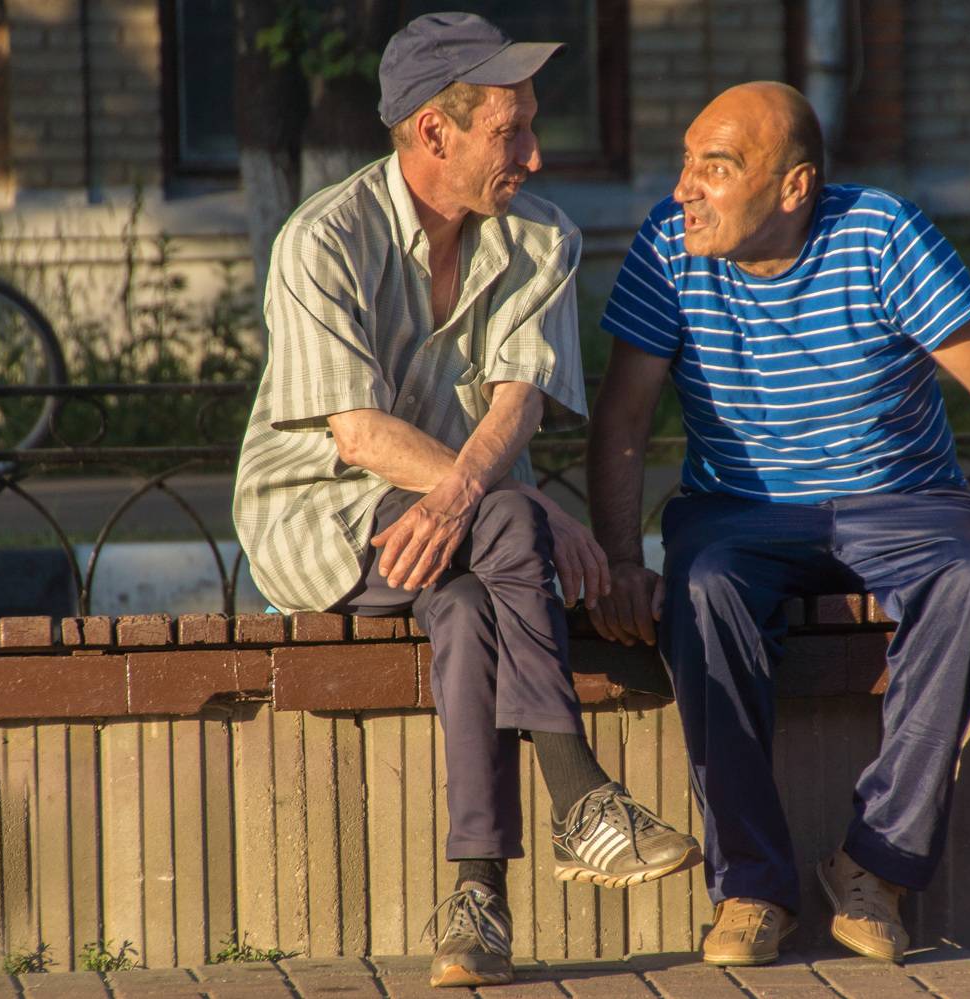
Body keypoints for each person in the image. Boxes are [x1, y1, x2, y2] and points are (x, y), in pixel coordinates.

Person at [586, 82, 970, 967]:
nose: (685, 188)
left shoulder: (880, 233)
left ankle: (875, 865)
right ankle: (751, 884)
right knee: (701, 590)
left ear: (794, 187)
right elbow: (623, 418)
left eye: (717, 167)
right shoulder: (669, 243)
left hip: (905, 501)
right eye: (686, 162)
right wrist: (621, 561)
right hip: (739, 513)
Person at [232, 13, 699, 989]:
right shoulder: (323, 239)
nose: (534, 153)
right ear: (433, 132)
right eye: (510, 131)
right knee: (511, 520)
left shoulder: (541, 235)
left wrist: (474, 499)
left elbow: (517, 404)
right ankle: (580, 795)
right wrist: (509, 504)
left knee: (465, 604)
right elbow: (357, 437)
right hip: (320, 513)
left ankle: (476, 902)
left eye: (532, 125)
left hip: (469, 533)